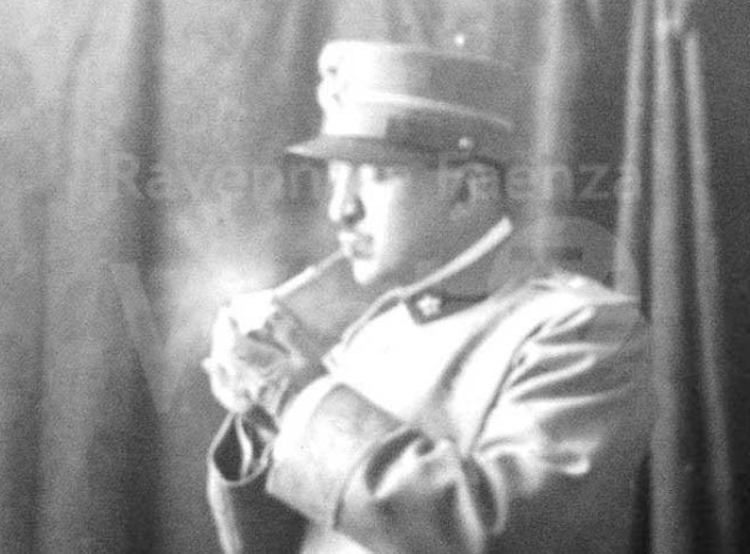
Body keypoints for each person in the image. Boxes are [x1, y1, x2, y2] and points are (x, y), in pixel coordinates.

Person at [202, 40, 655, 554]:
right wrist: (263, 418)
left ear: (468, 190)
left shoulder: (583, 330)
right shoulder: (373, 327)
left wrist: (299, 400)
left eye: (378, 174)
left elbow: (495, 532)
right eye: (336, 174)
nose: (341, 209)